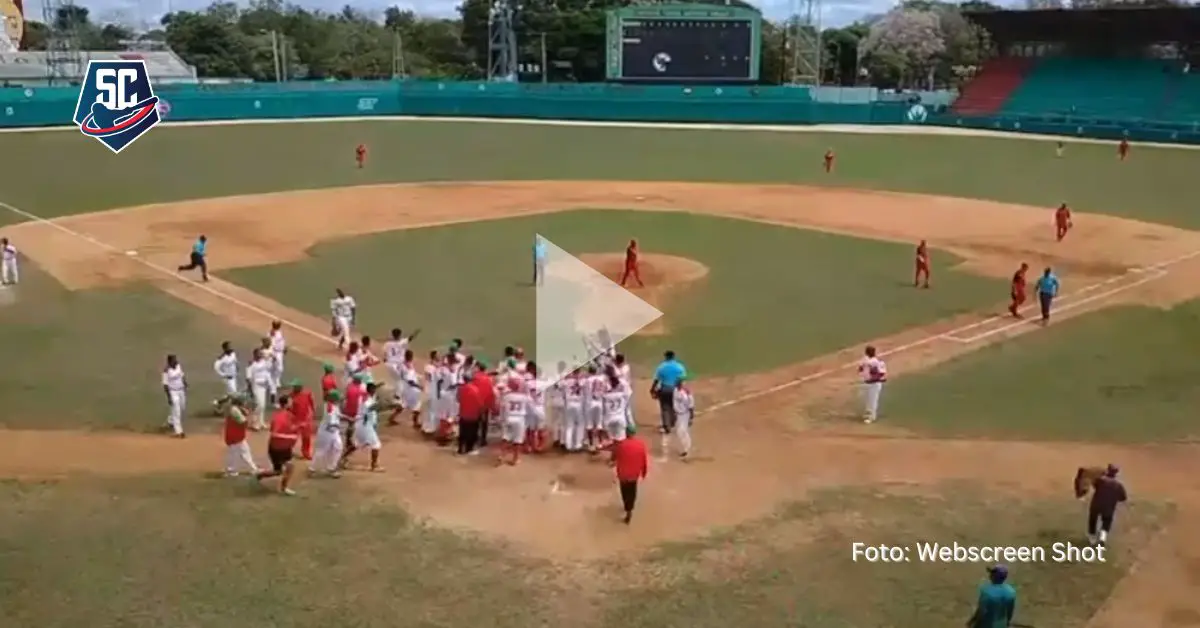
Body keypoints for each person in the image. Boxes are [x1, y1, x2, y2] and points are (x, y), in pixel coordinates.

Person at [255, 396, 299, 496]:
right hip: (279, 448)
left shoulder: (285, 415)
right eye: (290, 401)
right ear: (286, 404)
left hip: (278, 447)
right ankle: (284, 488)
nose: (292, 403)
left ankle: (260, 475)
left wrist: (296, 428)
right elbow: (274, 433)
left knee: (278, 471)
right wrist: (290, 437)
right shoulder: (280, 416)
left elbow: (289, 427)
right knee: (290, 467)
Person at [611, 423, 649, 525]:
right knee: (632, 491)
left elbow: (614, 457)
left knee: (624, 492)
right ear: (634, 433)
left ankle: (626, 507)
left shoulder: (621, 445)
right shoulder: (640, 445)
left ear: (626, 433)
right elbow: (644, 460)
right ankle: (630, 509)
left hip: (623, 474)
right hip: (634, 474)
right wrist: (644, 472)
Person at [348, 382, 385, 472]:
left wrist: (378, 386)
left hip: (360, 424)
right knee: (376, 445)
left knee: (356, 444)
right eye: (374, 389)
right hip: (365, 425)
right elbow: (374, 407)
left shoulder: (365, 396)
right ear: (371, 390)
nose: (376, 390)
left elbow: (372, 395)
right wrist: (386, 404)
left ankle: (342, 459)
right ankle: (374, 466)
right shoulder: (367, 401)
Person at [1088, 464, 1127, 547]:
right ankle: (1102, 539)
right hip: (1108, 508)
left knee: (1093, 520)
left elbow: (1093, 484)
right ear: (1116, 474)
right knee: (1106, 522)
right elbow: (1123, 498)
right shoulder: (1118, 485)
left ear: (1107, 471)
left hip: (1096, 505)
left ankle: (1092, 540)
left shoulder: (1100, 480)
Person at [650, 350, 687, 436]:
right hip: (675, 389)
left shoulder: (661, 367)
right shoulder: (679, 367)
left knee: (665, 408)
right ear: (674, 357)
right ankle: (673, 422)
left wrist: (652, 389)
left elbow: (656, 380)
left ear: (666, 357)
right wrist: (680, 389)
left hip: (664, 389)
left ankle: (667, 427)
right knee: (675, 406)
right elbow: (682, 379)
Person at [221, 395, 259, 477]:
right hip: (235, 436)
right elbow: (243, 422)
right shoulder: (234, 411)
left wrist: (249, 411)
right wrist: (252, 421)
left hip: (235, 435)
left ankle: (251, 469)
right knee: (240, 452)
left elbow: (245, 415)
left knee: (240, 452)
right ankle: (234, 470)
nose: (245, 403)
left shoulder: (235, 408)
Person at [312, 390, 345, 478]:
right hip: (326, 433)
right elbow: (331, 423)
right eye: (338, 399)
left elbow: (338, 414)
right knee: (322, 451)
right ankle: (312, 468)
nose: (340, 400)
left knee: (338, 448)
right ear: (334, 399)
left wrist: (349, 418)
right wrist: (341, 428)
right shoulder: (329, 408)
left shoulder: (332, 405)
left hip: (333, 432)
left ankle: (332, 468)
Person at [499, 376, 530, 466]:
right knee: (518, 440)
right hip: (519, 419)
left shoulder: (506, 396)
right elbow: (529, 407)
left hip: (508, 418)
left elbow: (502, 408)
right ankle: (515, 459)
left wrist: (501, 419)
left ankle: (502, 455)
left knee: (505, 437)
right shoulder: (524, 397)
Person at [457, 370, 485, 455]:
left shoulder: (460, 389)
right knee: (472, 433)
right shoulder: (475, 389)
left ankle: (460, 449)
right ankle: (469, 449)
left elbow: (458, 399)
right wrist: (481, 414)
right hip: (473, 415)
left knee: (462, 432)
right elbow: (480, 404)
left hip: (463, 414)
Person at [858, 345, 887, 424]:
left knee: (872, 401)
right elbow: (860, 369)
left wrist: (873, 377)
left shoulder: (877, 362)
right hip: (866, 382)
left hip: (874, 384)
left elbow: (881, 373)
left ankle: (871, 417)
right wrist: (863, 374)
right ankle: (867, 414)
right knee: (866, 399)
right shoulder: (864, 360)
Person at [162, 354, 188, 438]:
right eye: (173, 360)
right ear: (169, 362)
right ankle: (179, 431)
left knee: (182, 407)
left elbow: (182, 375)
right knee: (177, 411)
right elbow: (165, 385)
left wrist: (185, 383)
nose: (175, 361)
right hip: (173, 392)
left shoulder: (178, 366)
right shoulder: (166, 371)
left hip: (181, 390)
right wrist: (169, 397)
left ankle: (171, 421)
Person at [290, 379, 315, 460]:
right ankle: (287, 450)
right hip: (295, 419)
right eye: (293, 386)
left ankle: (306, 453)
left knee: (306, 438)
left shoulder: (307, 393)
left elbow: (312, 404)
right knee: (292, 437)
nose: (294, 388)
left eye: (295, 386)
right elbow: (289, 407)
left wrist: (311, 414)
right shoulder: (291, 395)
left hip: (305, 419)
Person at [669, 383, 695, 459]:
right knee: (680, 432)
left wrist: (691, 417)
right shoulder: (675, 391)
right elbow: (674, 404)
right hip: (678, 414)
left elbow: (691, 406)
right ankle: (686, 448)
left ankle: (687, 449)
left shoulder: (687, 393)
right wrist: (674, 414)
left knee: (682, 431)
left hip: (685, 414)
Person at [212, 341, 239, 411]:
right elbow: (216, 367)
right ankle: (234, 410)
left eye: (231, 346)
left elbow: (235, 361)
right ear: (225, 348)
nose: (231, 347)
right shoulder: (222, 358)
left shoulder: (233, 353)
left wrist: (237, 368)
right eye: (229, 347)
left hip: (234, 377)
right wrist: (223, 375)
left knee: (230, 395)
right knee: (234, 394)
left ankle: (218, 403)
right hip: (228, 379)